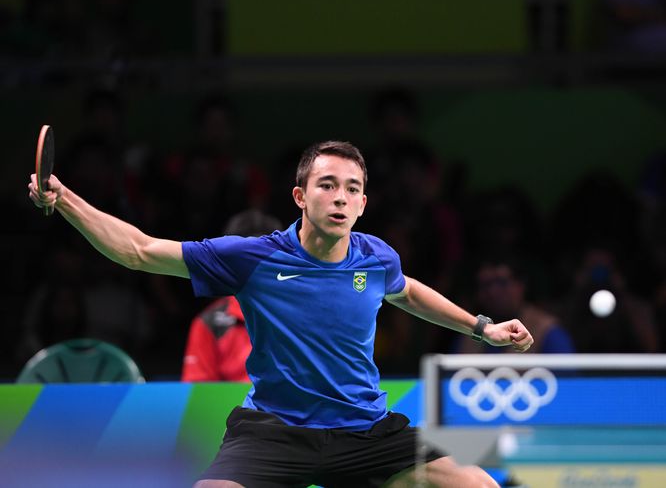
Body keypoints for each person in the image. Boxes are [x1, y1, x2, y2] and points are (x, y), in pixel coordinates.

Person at [29, 140, 534, 487]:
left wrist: (480, 326)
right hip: (276, 432)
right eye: (328, 184)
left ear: (362, 203)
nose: (341, 197)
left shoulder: (376, 256)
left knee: (476, 482)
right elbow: (139, 249)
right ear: (300, 196)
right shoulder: (253, 258)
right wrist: (67, 199)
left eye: (353, 188)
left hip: (365, 430)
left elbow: (405, 292)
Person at [182, 210, 282, 382]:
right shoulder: (209, 323)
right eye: (248, 257)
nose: (258, 265)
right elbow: (198, 394)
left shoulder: (299, 310)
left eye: (266, 255)